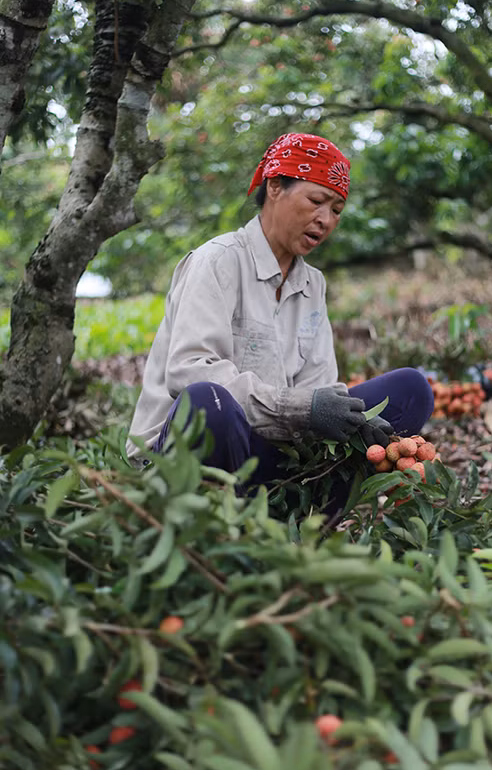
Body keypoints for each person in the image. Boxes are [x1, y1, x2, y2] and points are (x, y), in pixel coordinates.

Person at [126, 131, 434, 509]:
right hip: (191, 452)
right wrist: (302, 409)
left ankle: (300, 516)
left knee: (410, 389)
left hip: (278, 457)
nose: (325, 220)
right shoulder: (218, 261)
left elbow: (320, 386)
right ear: (275, 187)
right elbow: (188, 372)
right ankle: (217, 521)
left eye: (336, 210)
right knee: (209, 402)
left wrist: (353, 425)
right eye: (316, 201)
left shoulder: (312, 284)